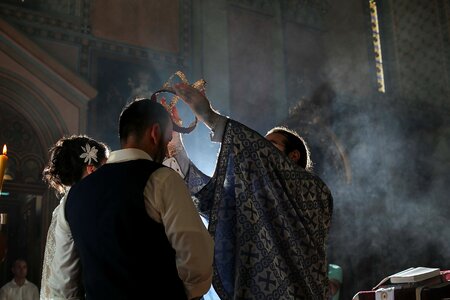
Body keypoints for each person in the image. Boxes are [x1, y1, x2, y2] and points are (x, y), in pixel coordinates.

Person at [171, 82, 333, 299]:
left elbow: (255, 150)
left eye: (270, 147)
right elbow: (210, 199)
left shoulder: (313, 190)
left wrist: (209, 116)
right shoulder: (254, 199)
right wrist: (177, 148)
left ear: (293, 156)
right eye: (261, 146)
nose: (258, 154)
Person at [64, 98, 214, 299]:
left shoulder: (74, 195)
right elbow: (196, 255)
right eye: (168, 138)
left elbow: (65, 279)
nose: (167, 146)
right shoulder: (163, 180)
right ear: (155, 133)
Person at [40, 135, 110, 299]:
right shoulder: (80, 204)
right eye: (106, 168)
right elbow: (67, 276)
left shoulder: (65, 204)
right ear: (91, 169)